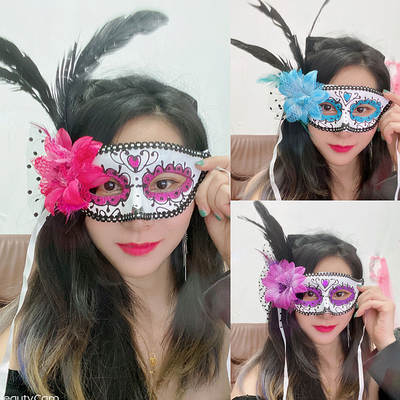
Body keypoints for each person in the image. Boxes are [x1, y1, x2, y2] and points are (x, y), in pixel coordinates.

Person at [1, 11, 230, 400]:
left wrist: (237, 250)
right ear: (70, 193)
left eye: (163, 183)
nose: (137, 218)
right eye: (108, 185)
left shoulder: (225, 320)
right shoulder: (32, 348)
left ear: (200, 184)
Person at [232, 1, 400, 200]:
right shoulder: (269, 193)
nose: (343, 131)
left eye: (361, 109)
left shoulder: (392, 187)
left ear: (385, 112)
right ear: (299, 106)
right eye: (327, 106)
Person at [231, 202, 397, 400]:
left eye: (340, 294)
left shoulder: (377, 372)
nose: (326, 312)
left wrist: (386, 342)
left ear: (359, 297)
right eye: (309, 293)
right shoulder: (259, 382)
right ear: (286, 299)